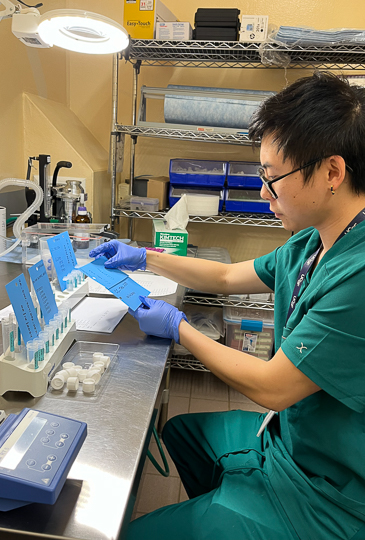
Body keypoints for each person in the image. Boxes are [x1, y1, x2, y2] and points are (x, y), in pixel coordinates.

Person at [90, 72, 365, 540]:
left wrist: (181, 329)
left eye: (273, 179)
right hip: (291, 442)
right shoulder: (311, 245)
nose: (263, 193)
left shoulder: (357, 273)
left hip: (328, 495)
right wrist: (146, 255)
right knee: (183, 435)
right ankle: (225, 509)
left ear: (332, 173)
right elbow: (223, 276)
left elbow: (273, 388)